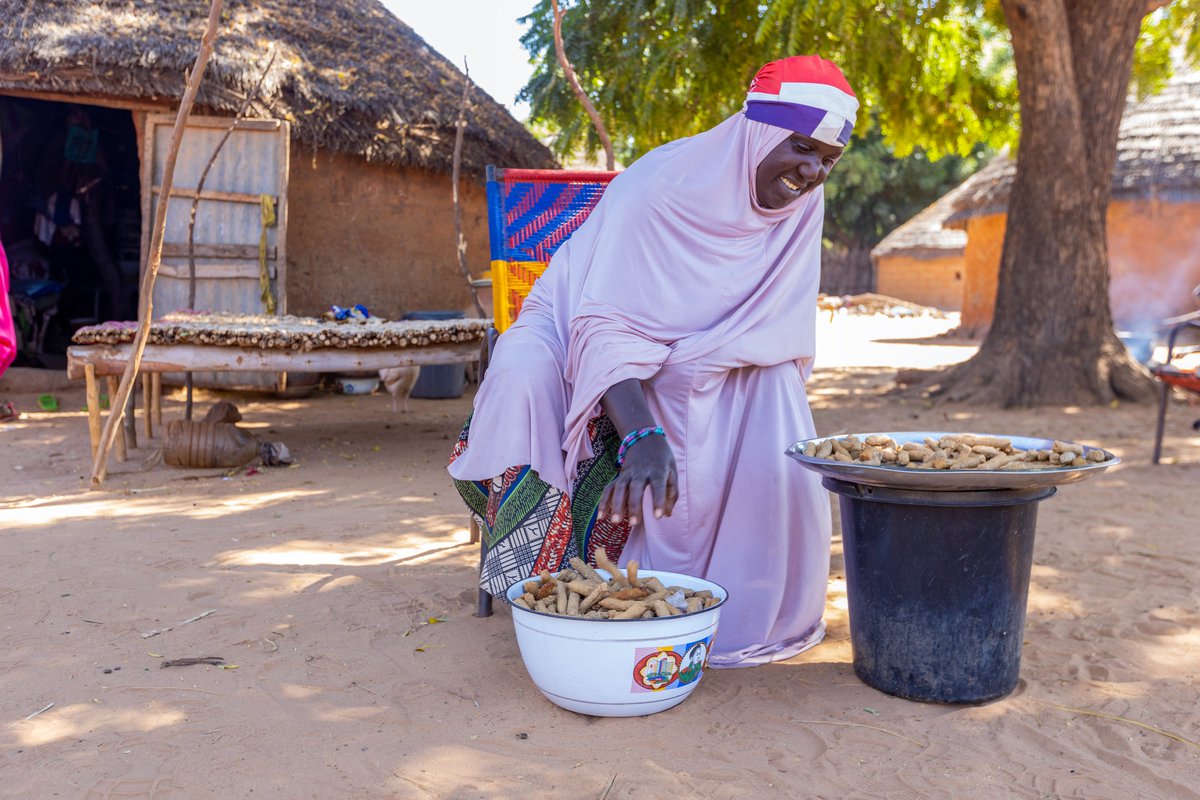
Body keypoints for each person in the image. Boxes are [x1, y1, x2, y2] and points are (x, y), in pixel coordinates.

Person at [449, 55, 858, 668]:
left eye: (828, 159)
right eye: (801, 147)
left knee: (772, 386)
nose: (811, 170)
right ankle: (544, 587)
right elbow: (604, 322)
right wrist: (641, 432)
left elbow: (776, 327)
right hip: (572, 332)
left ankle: (747, 604)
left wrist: (694, 362)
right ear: (761, 132)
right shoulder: (659, 188)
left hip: (707, 352)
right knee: (524, 375)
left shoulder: (800, 204)